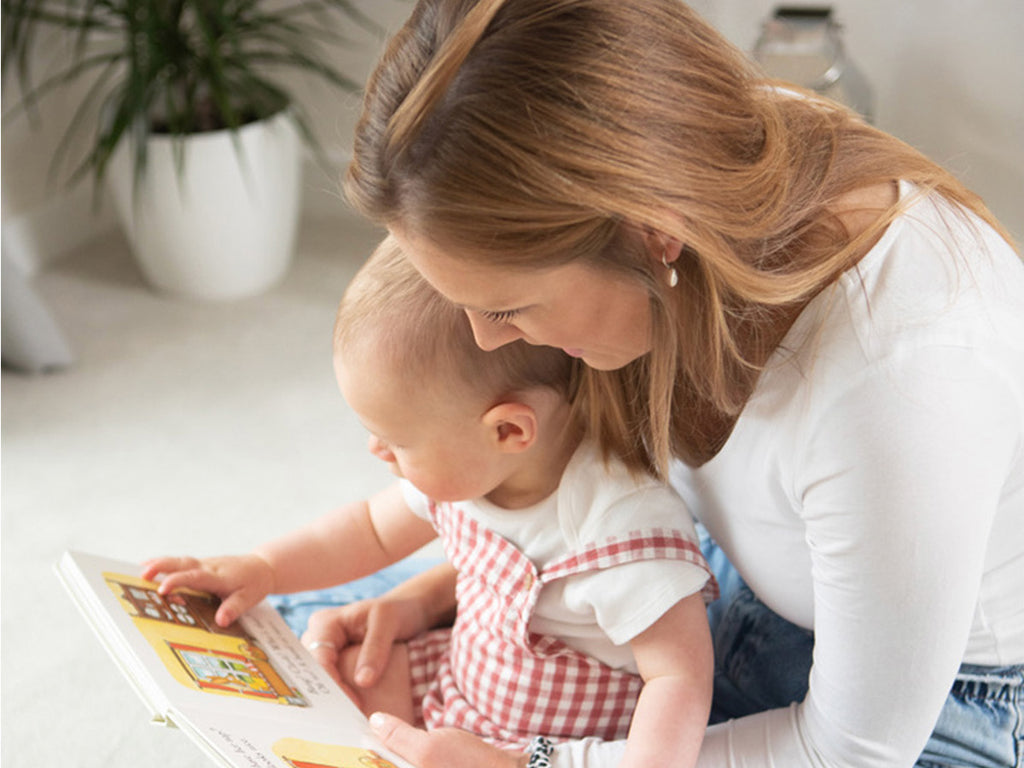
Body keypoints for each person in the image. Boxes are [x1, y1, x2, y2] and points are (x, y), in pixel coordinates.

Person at [327, 1, 1024, 766]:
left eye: (507, 306)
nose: (487, 340)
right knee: (322, 654)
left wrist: (541, 764)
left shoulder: (901, 382)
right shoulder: (700, 168)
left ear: (654, 232)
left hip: (952, 703)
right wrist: (449, 596)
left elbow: (852, 750)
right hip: (726, 581)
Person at [142, 237, 718, 765]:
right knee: (337, 672)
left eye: (398, 441)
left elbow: (680, 681)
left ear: (509, 431)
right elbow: (367, 529)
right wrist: (263, 567)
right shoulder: (475, 467)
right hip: (459, 682)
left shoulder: (622, 528)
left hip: (545, 744)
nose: (377, 451)